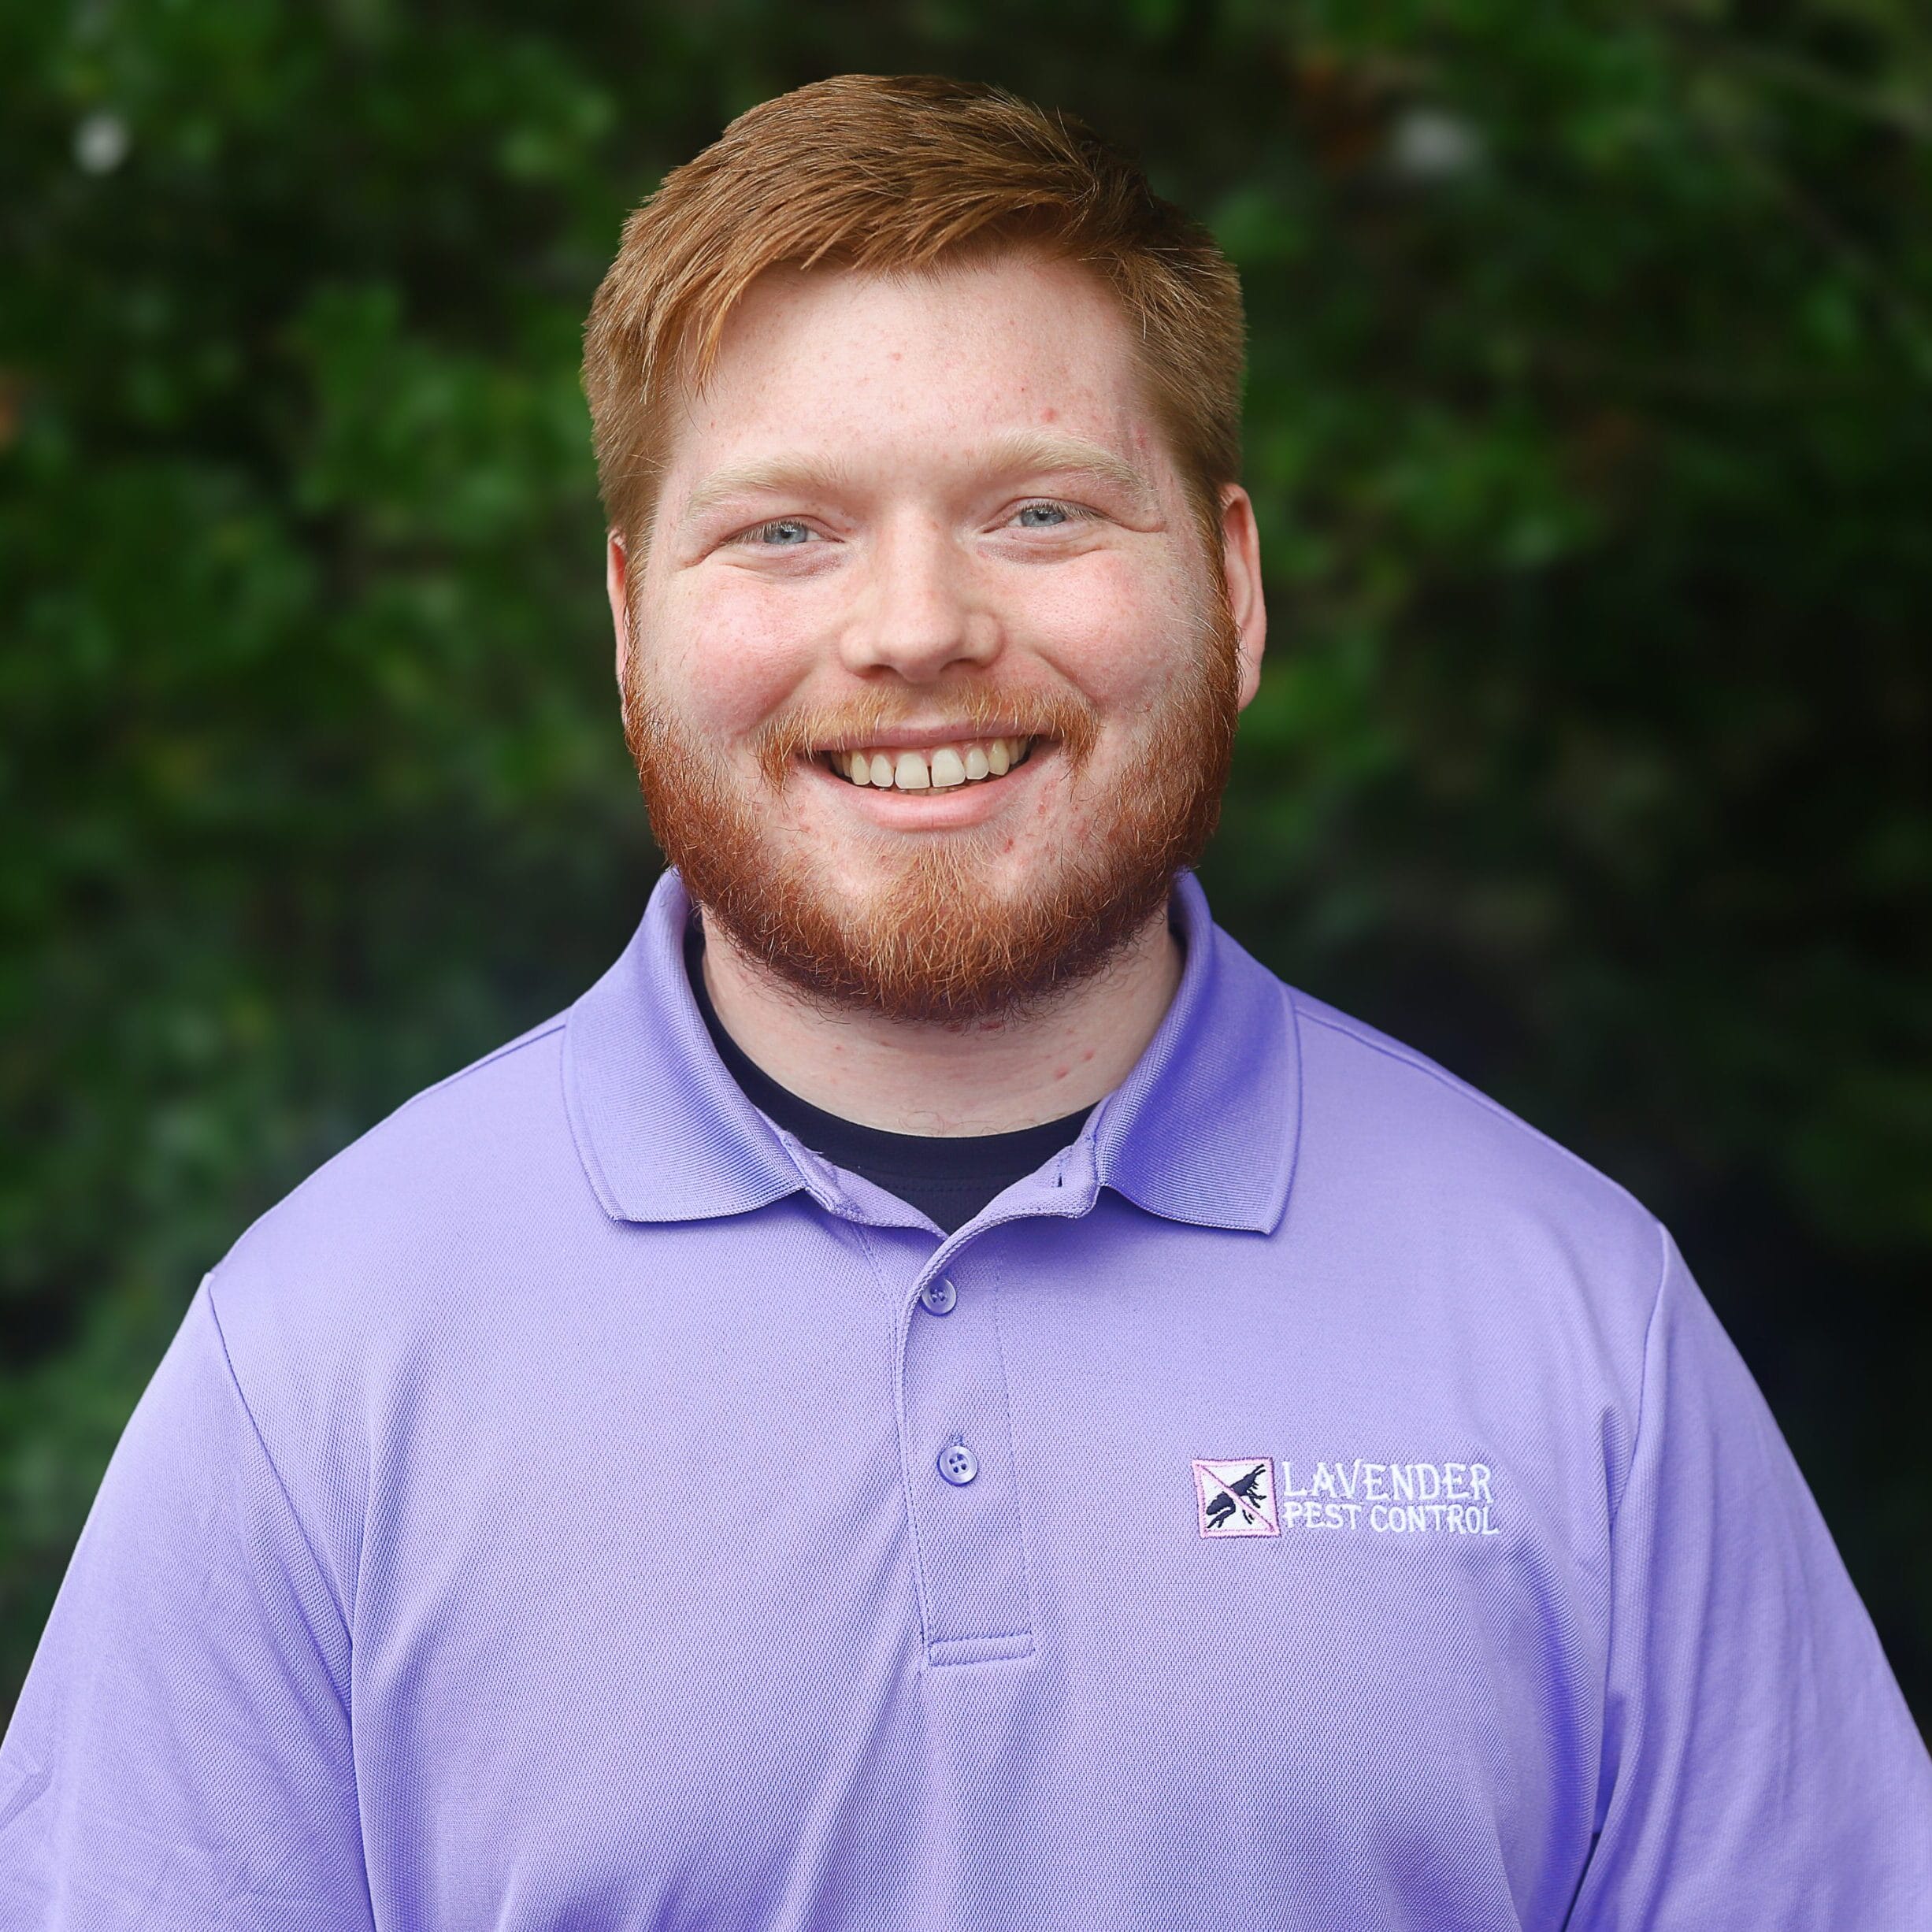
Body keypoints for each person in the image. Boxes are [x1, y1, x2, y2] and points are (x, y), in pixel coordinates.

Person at [2, 72, 1926, 1931]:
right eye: (786, 530)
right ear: (624, 622)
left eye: (1040, 512)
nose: (916, 626)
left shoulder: (1578, 1327)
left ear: (1238, 588)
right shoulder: (316, 1367)